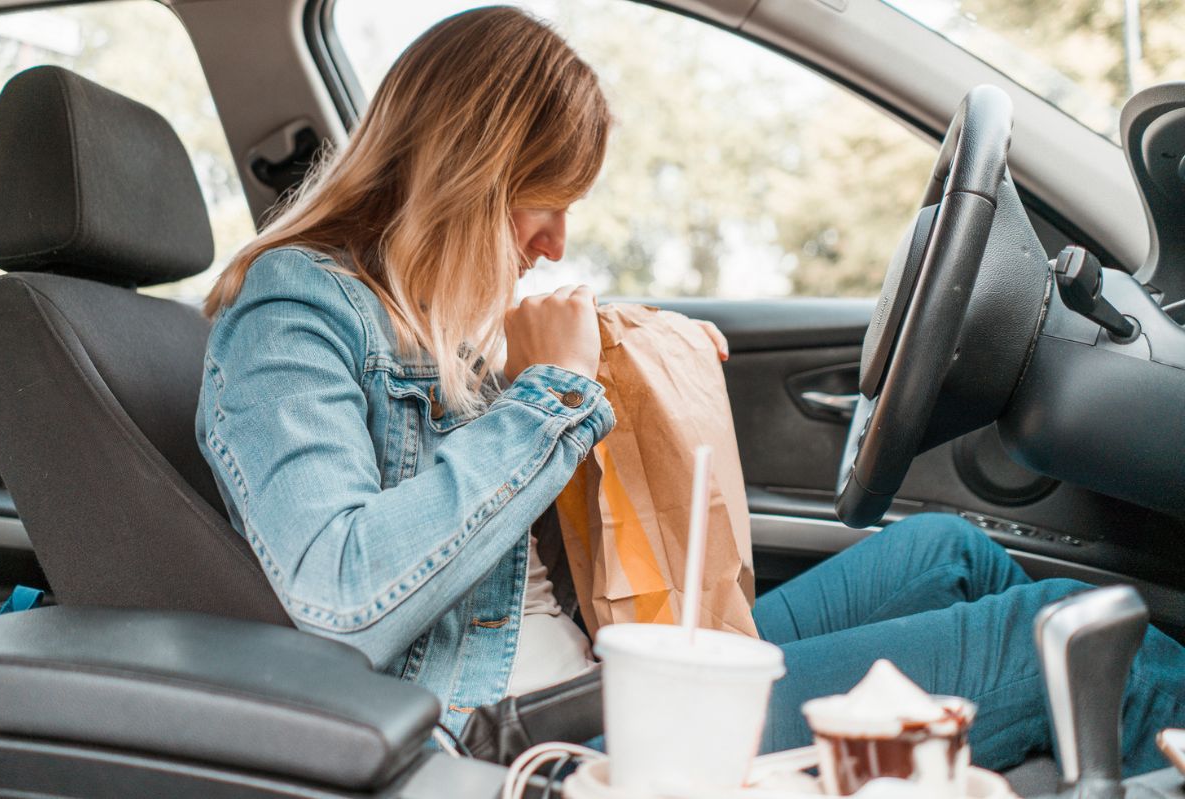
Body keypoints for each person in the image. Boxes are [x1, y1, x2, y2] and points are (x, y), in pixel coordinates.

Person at [196, 5, 1184, 776]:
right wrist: (550, 394)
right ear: (470, 175)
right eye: (547, 198)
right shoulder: (293, 312)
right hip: (538, 732)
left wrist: (642, 358)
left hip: (596, 666)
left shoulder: (429, 314)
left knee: (953, 554)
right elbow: (341, 593)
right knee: (1057, 640)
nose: (557, 240)